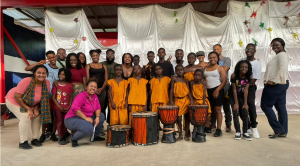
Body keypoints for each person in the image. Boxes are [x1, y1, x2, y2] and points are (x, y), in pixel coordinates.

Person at [5, 65, 51, 149]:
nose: (41, 75)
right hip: (14, 100)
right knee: (26, 116)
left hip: (32, 103)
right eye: (39, 73)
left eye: (44, 73)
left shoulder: (47, 83)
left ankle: (35, 139)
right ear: (34, 73)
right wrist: (29, 109)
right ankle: (23, 142)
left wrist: (36, 108)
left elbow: (42, 97)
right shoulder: (26, 81)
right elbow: (17, 97)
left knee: (37, 116)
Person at [25, 50, 58, 142]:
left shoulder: (59, 69)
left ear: (56, 57)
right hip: (45, 96)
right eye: (49, 57)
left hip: (55, 96)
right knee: (44, 114)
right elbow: (27, 68)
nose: (52, 59)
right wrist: (38, 64)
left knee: (55, 116)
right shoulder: (44, 66)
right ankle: (43, 134)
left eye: (53, 57)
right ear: (47, 58)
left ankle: (52, 134)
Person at [64, 78, 105, 147]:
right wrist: (86, 118)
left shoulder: (95, 96)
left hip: (85, 118)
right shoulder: (81, 96)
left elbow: (98, 107)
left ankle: (95, 136)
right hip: (72, 118)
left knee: (101, 116)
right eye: (91, 86)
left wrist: (97, 117)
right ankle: (74, 138)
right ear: (86, 87)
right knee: (89, 129)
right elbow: (75, 109)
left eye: (95, 87)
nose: (93, 88)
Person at [261, 38, 289, 139]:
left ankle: (279, 130)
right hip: (281, 84)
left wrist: (275, 81)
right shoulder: (280, 55)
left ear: (282, 45)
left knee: (265, 106)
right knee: (281, 108)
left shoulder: (282, 55)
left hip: (276, 85)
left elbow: (283, 68)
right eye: (273, 45)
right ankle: (283, 131)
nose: (274, 47)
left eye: (277, 44)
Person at [240, 43, 262, 138]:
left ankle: (254, 126)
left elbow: (254, 79)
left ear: (255, 51)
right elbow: (237, 73)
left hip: (250, 86)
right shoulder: (241, 61)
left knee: (250, 103)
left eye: (251, 49)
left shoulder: (257, 63)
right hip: (240, 86)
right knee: (241, 105)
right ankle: (247, 126)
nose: (249, 50)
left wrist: (246, 86)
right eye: (247, 48)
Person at [203, 51, 227, 137]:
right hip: (207, 91)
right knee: (208, 110)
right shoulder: (205, 67)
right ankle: (207, 127)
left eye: (214, 57)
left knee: (217, 110)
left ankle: (219, 129)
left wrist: (217, 90)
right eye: (210, 57)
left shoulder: (220, 68)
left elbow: (224, 81)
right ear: (208, 59)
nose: (212, 59)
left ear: (217, 58)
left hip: (217, 90)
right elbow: (203, 79)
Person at [86, 49, 108, 136]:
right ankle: (91, 127)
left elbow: (106, 79)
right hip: (92, 90)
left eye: (97, 55)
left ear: (99, 56)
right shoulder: (88, 66)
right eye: (93, 55)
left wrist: (101, 89)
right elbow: (88, 79)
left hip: (101, 90)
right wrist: (93, 89)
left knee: (101, 108)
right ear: (91, 57)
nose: (95, 57)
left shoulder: (103, 66)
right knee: (91, 108)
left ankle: (101, 127)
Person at [228, 60, 252, 141]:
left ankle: (245, 132)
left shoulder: (249, 76)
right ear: (238, 68)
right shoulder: (234, 76)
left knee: (245, 112)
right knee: (236, 112)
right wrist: (236, 103)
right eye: (242, 67)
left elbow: (246, 90)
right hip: (233, 96)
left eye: (246, 67)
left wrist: (245, 104)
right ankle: (238, 132)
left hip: (242, 95)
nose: (244, 68)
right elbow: (234, 89)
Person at [169, 65, 193, 141]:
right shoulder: (173, 78)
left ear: (184, 71)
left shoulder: (185, 80)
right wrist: (170, 100)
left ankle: (186, 133)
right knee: (178, 119)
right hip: (178, 100)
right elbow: (171, 90)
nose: (180, 72)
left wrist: (191, 100)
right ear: (175, 71)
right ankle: (180, 134)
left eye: (181, 70)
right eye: (178, 70)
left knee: (187, 118)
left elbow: (188, 91)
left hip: (186, 100)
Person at [213, 44, 232, 132]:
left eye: (218, 49)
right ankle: (213, 124)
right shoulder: (212, 60)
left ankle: (228, 124)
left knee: (226, 105)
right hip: (214, 85)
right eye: (214, 49)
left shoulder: (226, 59)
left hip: (225, 85)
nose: (216, 50)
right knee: (215, 105)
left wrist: (214, 67)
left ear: (221, 50)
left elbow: (224, 69)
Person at [52, 68, 73, 145]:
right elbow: (53, 97)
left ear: (67, 76)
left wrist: (69, 106)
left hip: (66, 107)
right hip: (58, 107)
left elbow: (70, 97)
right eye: (60, 74)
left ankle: (64, 135)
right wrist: (59, 106)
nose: (61, 75)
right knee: (60, 121)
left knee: (65, 121)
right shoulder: (56, 85)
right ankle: (60, 137)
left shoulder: (69, 85)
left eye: (63, 74)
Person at [101, 49, 118, 125]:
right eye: (108, 54)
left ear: (114, 55)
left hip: (113, 90)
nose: (110, 56)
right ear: (106, 55)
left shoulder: (117, 65)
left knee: (112, 106)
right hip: (103, 89)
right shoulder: (102, 64)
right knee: (102, 106)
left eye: (111, 54)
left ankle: (111, 122)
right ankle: (101, 124)